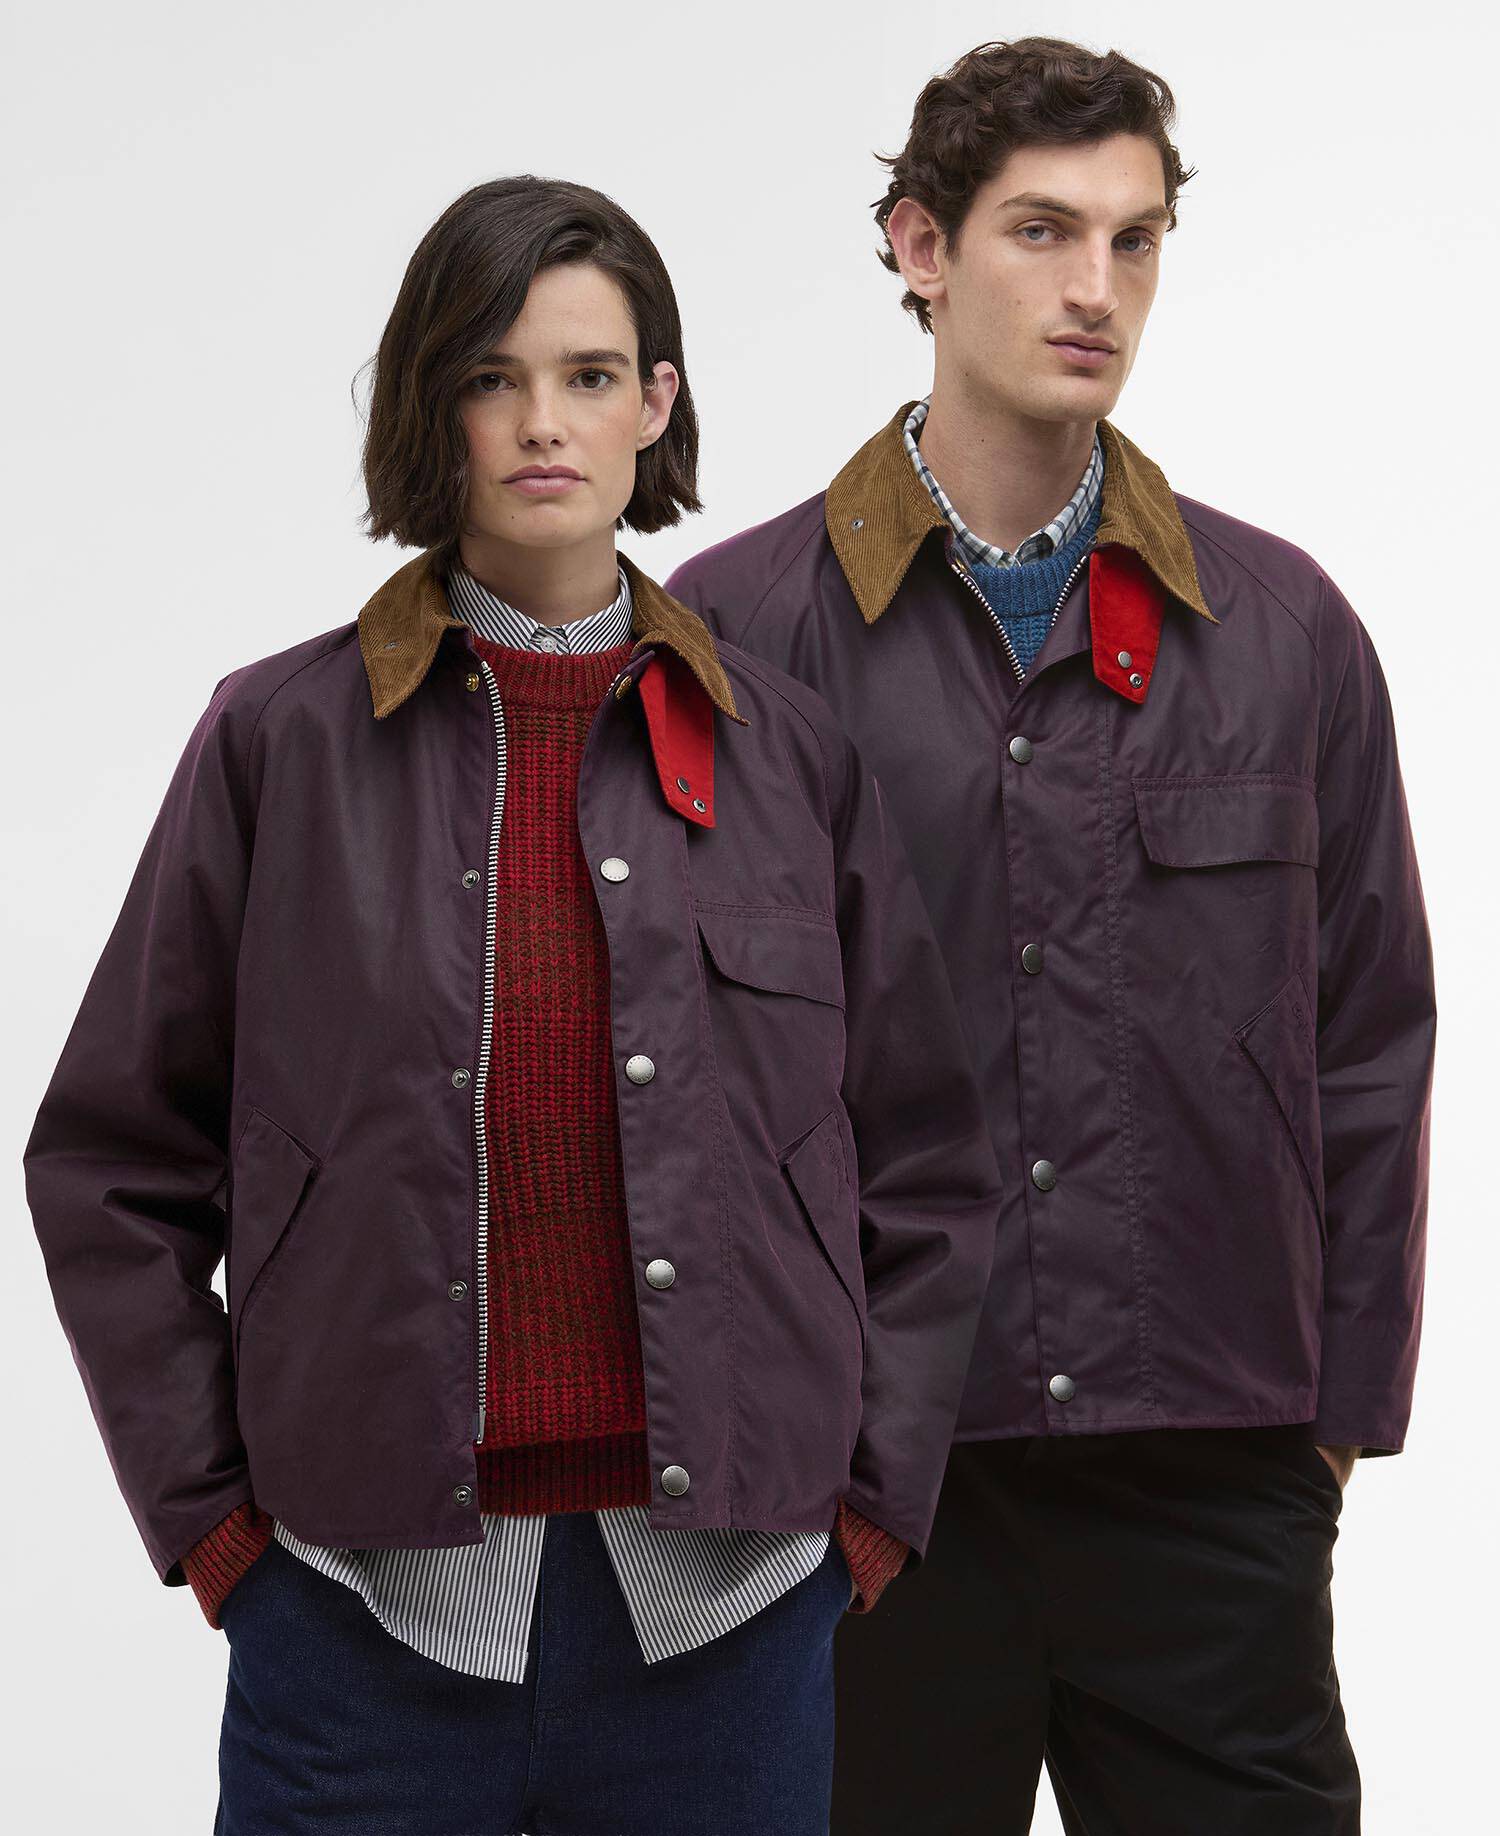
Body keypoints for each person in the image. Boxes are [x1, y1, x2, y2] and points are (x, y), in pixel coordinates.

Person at [22, 175, 1003, 1836]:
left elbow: (926, 1165)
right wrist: (218, 1528)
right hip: (360, 1617)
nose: (544, 422)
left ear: (656, 404)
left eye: (590, 374)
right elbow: (109, 1160)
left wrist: (869, 1516)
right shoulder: (279, 743)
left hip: (731, 1615)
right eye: (492, 377)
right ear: (435, 409)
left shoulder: (788, 758)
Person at [665, 35, 1436, 1834]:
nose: (1097, 288)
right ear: (920, 247)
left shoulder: (1283, 631)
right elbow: (675, 1080)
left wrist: (1328, 1430)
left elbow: (1371, 1043)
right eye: (1042, 231)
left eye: (1134, 240)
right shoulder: (736, 638)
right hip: (865, 1496)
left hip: (1212, 1485)